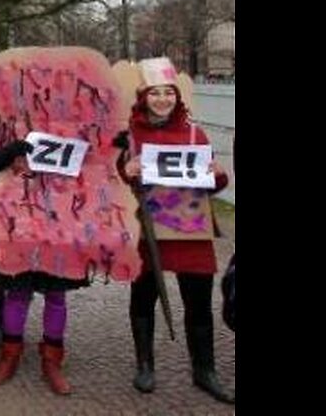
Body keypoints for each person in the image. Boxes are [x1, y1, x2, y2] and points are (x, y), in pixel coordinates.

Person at [117, 57, 234, 404]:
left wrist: (218, 173)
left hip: (190, 229)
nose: (163, 99)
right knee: (143, 296)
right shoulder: (130, 136)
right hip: (147, 230)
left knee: (198, 301)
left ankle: (205, 370)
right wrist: (127, 168)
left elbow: (212, 182)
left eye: (169, 93)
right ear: (143, 96)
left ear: (177, 97)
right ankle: (145, 364)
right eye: (156, 93)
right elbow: (115, 180)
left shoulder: (196, 133)